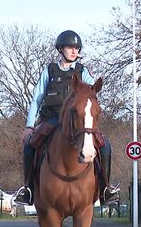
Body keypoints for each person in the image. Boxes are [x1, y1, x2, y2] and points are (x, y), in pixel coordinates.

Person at [12, 30, 119, 206]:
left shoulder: (82, 71)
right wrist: (29, 126)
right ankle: (28, 188)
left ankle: (105, 188)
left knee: (105, 146)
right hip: (52, 120)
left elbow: (91, 94)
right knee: (30, 146)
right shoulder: (50, 71)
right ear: (61, 49)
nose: (74, 51)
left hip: (78, 124)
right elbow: (37, 99)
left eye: (77, 48)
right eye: (71, 47)